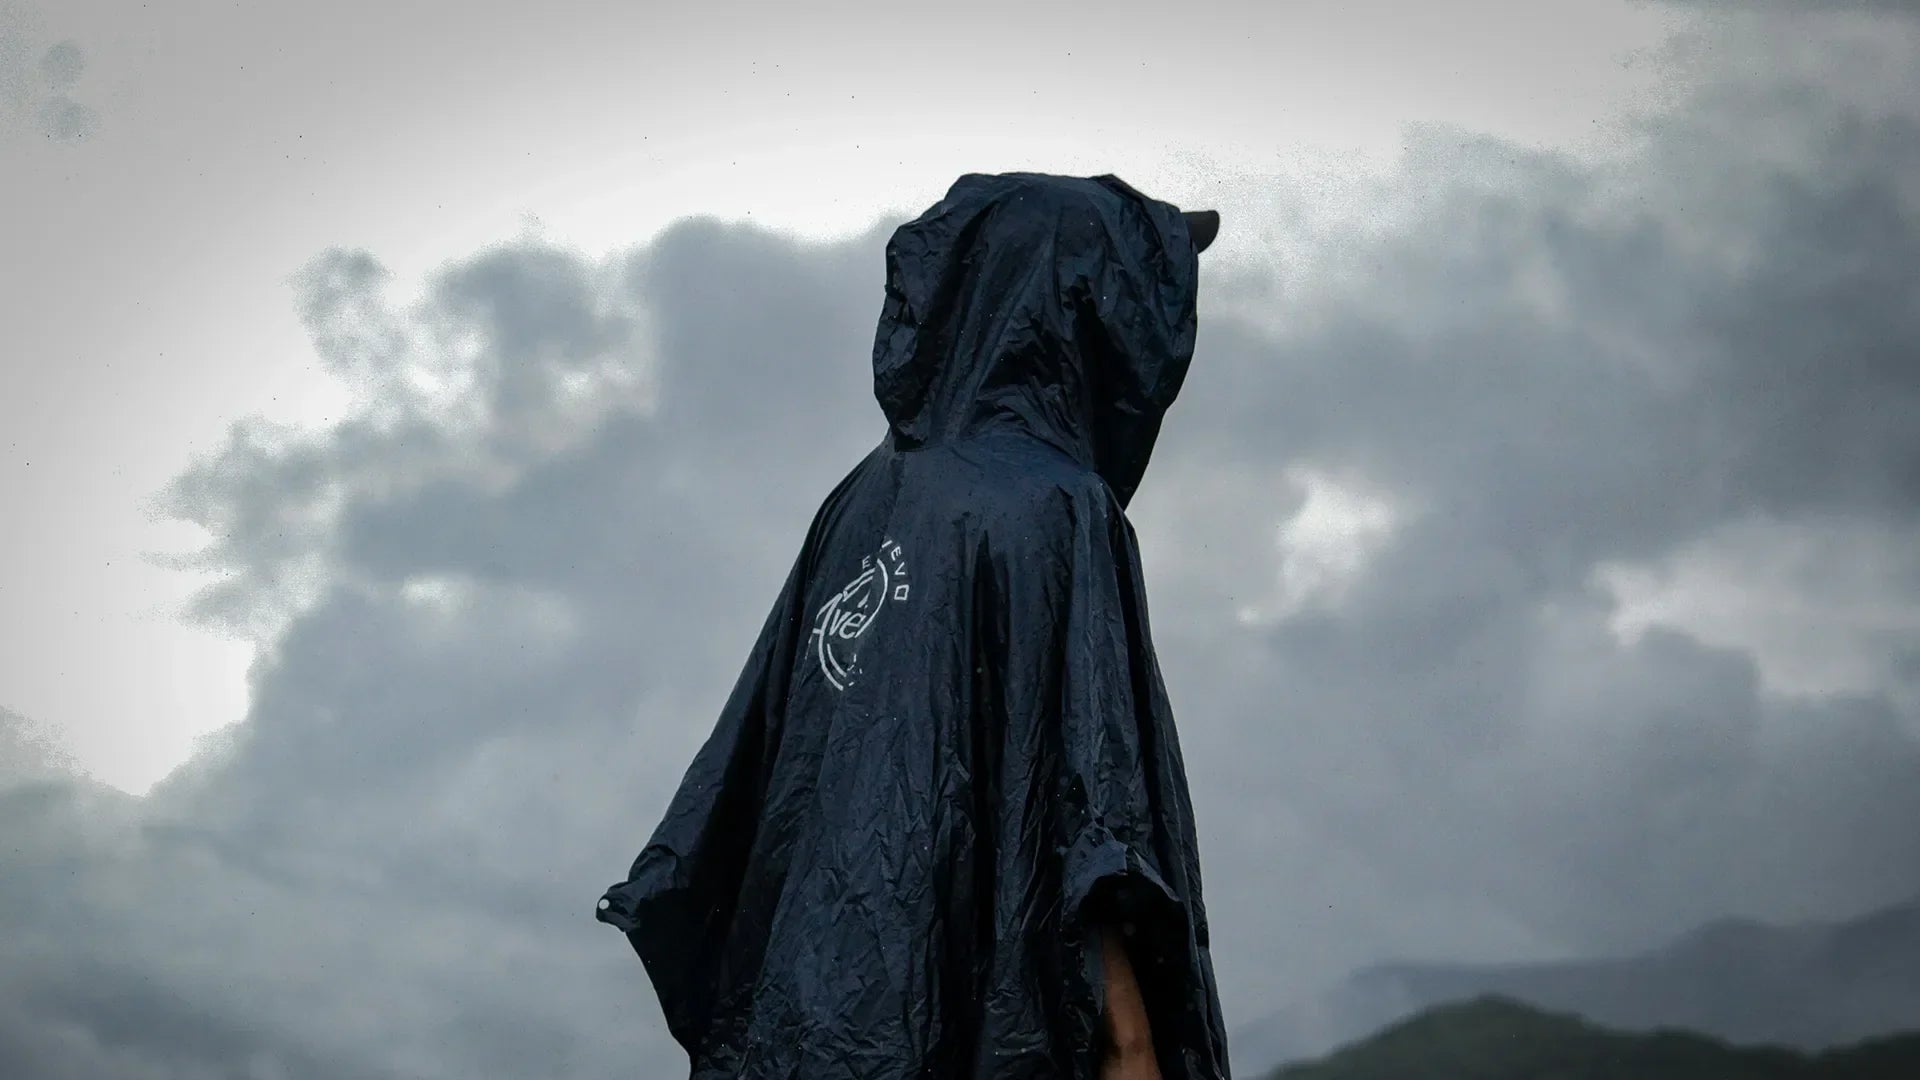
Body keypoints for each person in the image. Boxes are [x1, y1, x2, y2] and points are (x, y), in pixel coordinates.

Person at [596, 172, 1230, 1079]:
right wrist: (1133, 1045)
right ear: (1087, 309)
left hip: (818, 1021)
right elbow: (1092, 813)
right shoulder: (1057, 511)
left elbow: (760, 787)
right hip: (971, 1025)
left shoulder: (862, 500)